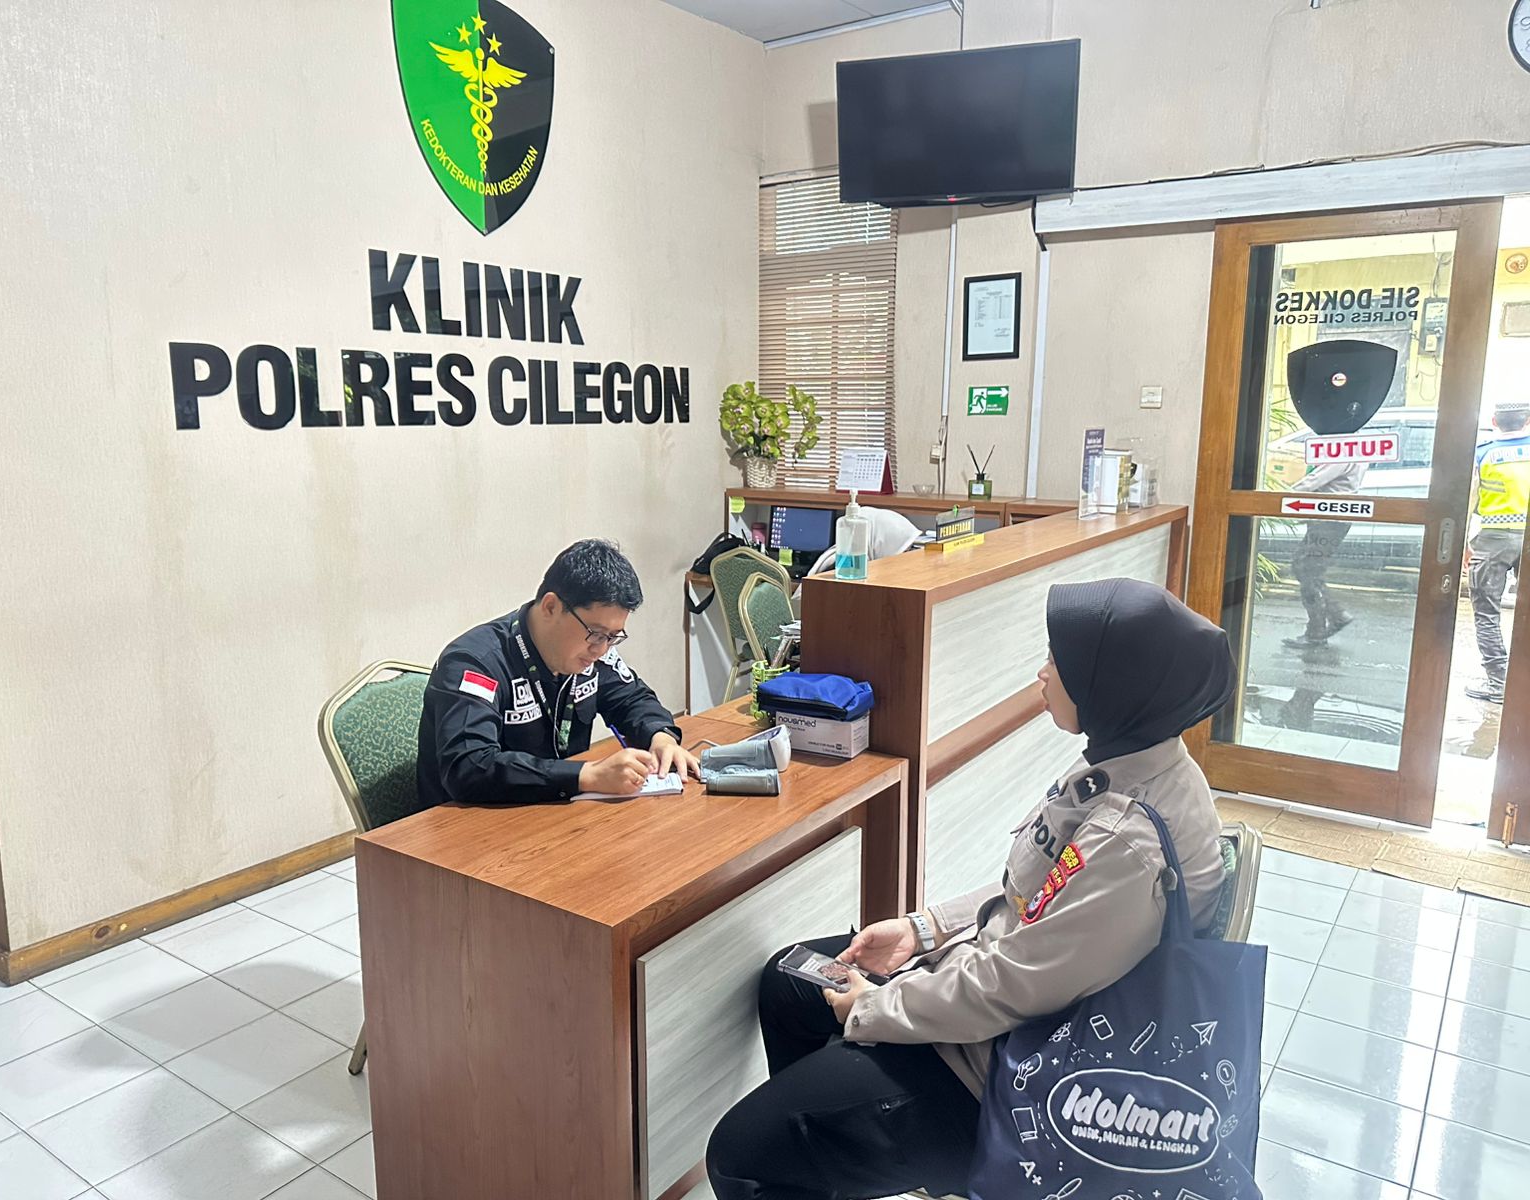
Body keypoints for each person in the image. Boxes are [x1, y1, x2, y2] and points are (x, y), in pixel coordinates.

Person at [705, 578, 1235, 1200]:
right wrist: (922, 930)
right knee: (789, 980)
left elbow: (1011, 987)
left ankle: (829, 1140)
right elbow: (1035, 893)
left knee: (739, 1155)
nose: (1042, 673)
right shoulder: (1132, 756)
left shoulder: (1129, 842)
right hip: (989, 999)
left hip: (999, 1076)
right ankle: (832, 1151)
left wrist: (875, 1009)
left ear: (1112, 684)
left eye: (1059, 662)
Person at [416, 539, 698, 806]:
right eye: (596, 633)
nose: (601, 649)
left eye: (613, 637)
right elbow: (470, 766)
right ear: (551, 607)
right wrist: (585, 776)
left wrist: (660, 737)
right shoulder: (475, 662)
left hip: (554, 811)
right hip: (468, 826)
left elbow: (632, 699)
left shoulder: (591, 652)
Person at [1467, 399, 1530, 703]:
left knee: (1486, 611)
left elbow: (1469, 500)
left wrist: (1464, 544)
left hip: (1493, 539)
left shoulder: (1483, 453)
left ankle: (1499, 683)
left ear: (1494, 421)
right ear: (1527, 422)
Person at [1283, 459, 1367, 649]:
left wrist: (1281, 496)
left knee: (1306, 569)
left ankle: (1318, 630)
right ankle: (1334, 616)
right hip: (1331, 518)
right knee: (1306, 569)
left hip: (1330, 519)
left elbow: (1315, 480)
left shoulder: (1345, 452)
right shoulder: (1351, 452)